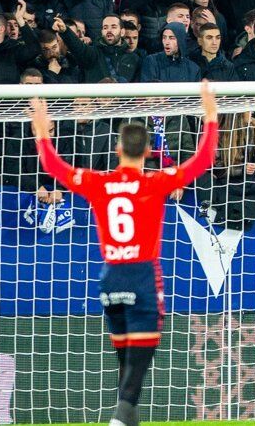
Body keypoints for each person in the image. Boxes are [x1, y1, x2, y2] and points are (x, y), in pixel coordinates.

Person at [28, 80, 220, 426]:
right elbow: (204, 159)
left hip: (111, 274)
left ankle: (126, 416)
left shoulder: (98, 182)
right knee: (142, 352)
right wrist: (209, 112)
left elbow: (54, 168)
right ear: (148, 152)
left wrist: (42, 131)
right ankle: (121, 414)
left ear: (117, 151)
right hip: (143, 273)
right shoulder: (155, 182)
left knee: (125, 354)